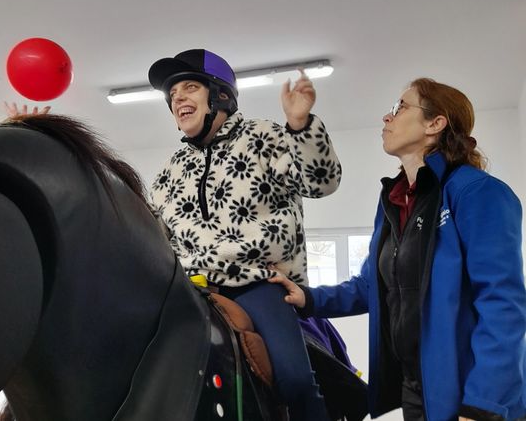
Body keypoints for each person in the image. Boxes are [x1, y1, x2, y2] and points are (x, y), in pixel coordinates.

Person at [270, 78, 526, 421]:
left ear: (435, 124)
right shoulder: (395, 201)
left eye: (400, 107)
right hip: (416, 387)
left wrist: (484, 405)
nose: (387, 117)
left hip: (470, 393)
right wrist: (308, 298)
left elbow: (502, 305)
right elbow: (370, 286)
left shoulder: (478, 193)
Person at [148, 49, 342, 421]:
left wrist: (300, 126)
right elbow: (150, 228)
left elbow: (322, 183)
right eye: (172, 94)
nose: (178, 98)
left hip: (256, 284)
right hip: (188, 288)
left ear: (220, 95)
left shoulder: (263, 136)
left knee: (295, 379)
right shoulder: (172, 167)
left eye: (190, 87)